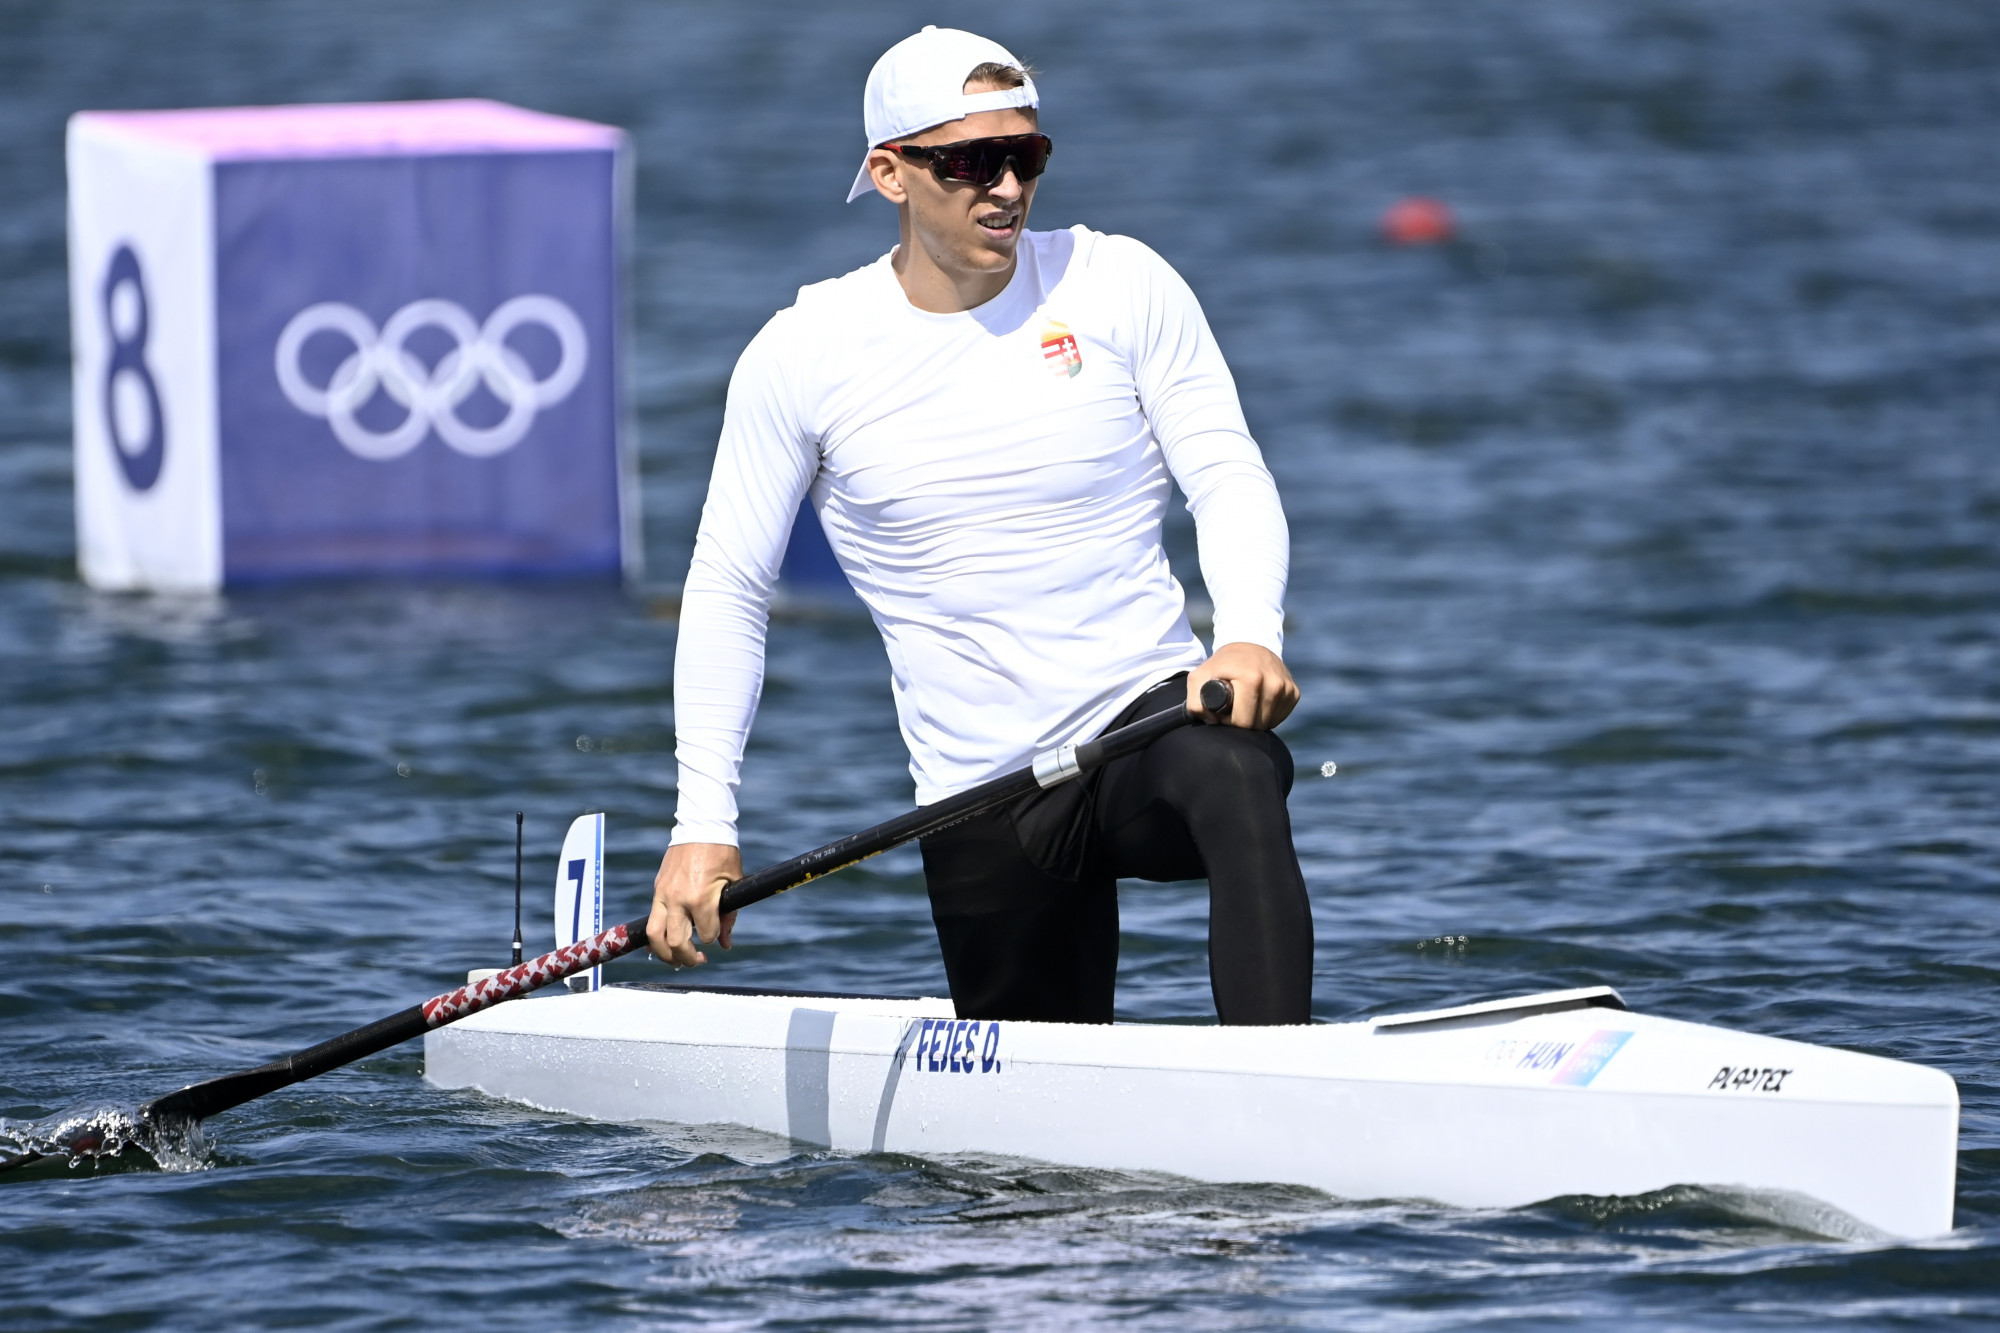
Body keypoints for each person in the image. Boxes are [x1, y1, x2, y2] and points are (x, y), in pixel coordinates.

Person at [647, 26, 1313, 1025]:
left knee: (1235, 769)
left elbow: (1225, 473)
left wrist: (1250, 633)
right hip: (982, 794)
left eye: (1026, 155)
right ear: (891, 173)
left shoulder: (1118, 283)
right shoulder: (804, 353)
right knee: (1033, 1115)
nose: (1006, 187)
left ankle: (1279, 1076)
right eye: (970, 162)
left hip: (1144, 725)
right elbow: (730, 588)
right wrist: (703, 821)